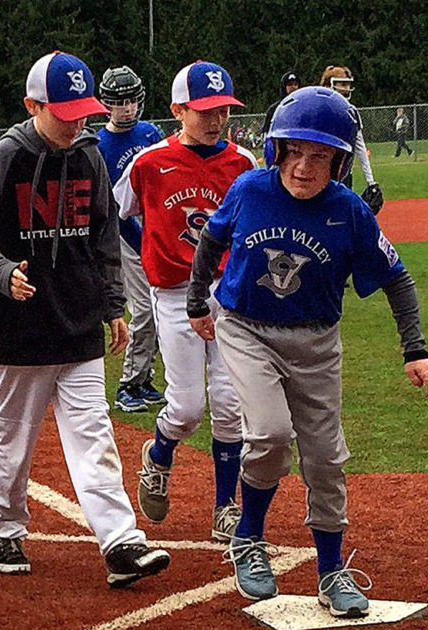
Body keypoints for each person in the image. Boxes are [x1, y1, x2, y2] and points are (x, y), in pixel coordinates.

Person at [186, 86, 428, 618]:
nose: (304, 166)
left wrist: (414, 351)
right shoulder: (251, 189)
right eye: (295, 151)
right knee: (273, 435)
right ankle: (249, 539)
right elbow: (212, 239)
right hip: (246, 328)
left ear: (340, 162)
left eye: (320, 155)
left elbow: (398, 279)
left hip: (316, 342)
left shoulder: (348, 211)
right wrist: (196, 302)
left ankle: (330, 571)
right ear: (277, 149)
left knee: (325, 459)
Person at [0, 50, 170, 588]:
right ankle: (4, 526)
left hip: (77, 321)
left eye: (83, 110)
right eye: (65, 111)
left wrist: (113, 304)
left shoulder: (90, 156)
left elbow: (103, 237)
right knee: (16, 436)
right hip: (21, 327)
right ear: (33, 105)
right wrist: (2, 272)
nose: (77, 121)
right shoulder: (8, 157)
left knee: (94, 433)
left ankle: (121, 541)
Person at [114, 60, 257, 543]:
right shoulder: (150, 162)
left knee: (229, 403)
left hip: (227, 294)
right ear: (178, 110)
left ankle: (225, 505)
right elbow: (117, 212)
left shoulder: (242, 163)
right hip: (174, 293)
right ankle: (158, 455)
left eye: (222, 109)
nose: (215, 119)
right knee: (187, 408)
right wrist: (147, 246)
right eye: (203, 110)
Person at [96, 64, 166, 414]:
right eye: (119, 102)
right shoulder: (100, 144)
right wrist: (141, 242)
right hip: (126, 235)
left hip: (155, 229)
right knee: (144, 311)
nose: (127, 108)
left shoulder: (150, 134)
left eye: (132, 101)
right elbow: (112, 207)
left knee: (159, 310)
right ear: (106, 104)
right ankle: (128, 384)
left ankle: (144, 378)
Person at [320, 65, 383, 212]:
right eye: (342, 84)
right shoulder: (319, 109)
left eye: (347, 84)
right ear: (330, 84)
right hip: (321, 174)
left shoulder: (351, 111)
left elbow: (360, 147)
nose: (346, 88)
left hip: (343, 174)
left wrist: (371, 181)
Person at [261, 71, 300, 137]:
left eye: (295, 84)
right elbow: (266, 131)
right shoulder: (275, 108)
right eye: (290, 84)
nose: (293, 87)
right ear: (284, 87)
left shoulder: (302, 107)